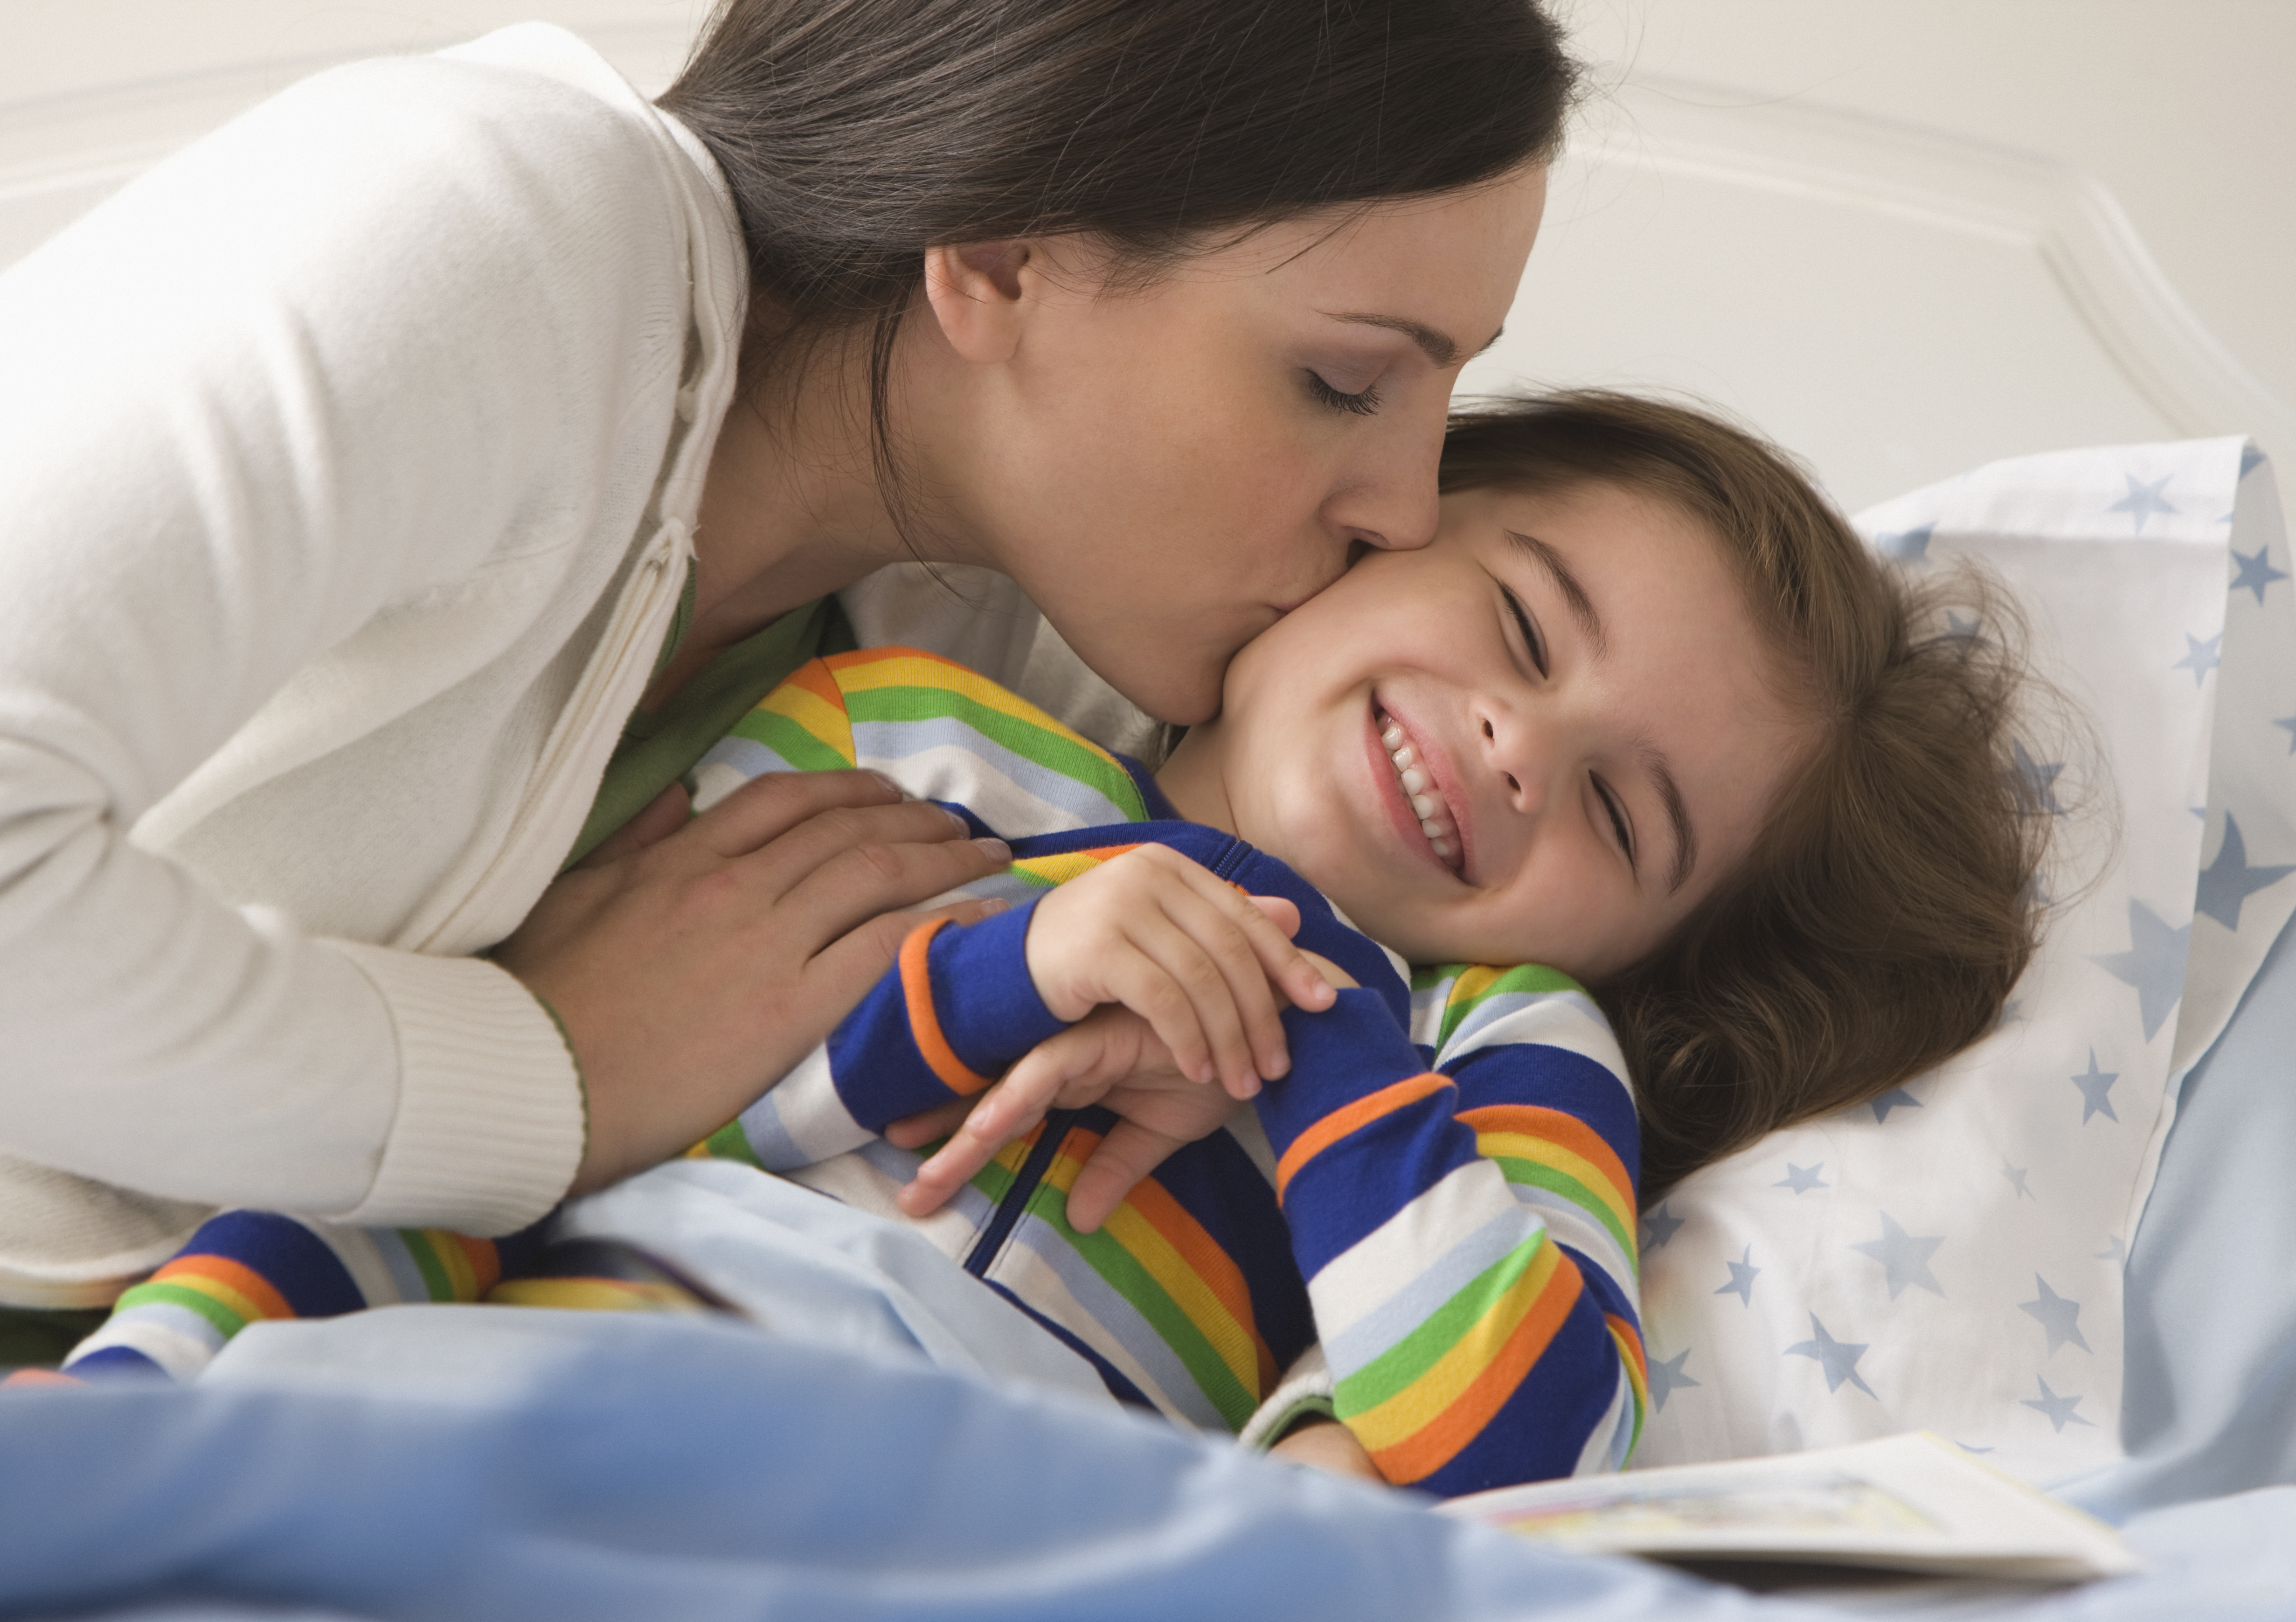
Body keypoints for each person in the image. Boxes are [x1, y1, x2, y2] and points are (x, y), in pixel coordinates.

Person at [55, 394, 2052, 1498]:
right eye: (1523, 625)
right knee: (420, 1194)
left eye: (1625, 817)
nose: (1520, 746)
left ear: (1644, 937)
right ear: (1393, 515)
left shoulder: (1496, 1046)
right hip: (538, 1368)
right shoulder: (913, 729)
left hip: (959, 1514)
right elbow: (636, 1091)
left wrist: (1319, 1041)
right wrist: (1031, 966)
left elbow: (1519, 1449)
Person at [0, 0, 1576, 1350]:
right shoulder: (493, 229)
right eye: (1345, 379)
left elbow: (1412, 1061)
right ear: (1010, 248)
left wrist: (1336, 1442)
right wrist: (548, 1078)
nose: (1408, 507)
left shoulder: (989, 671)